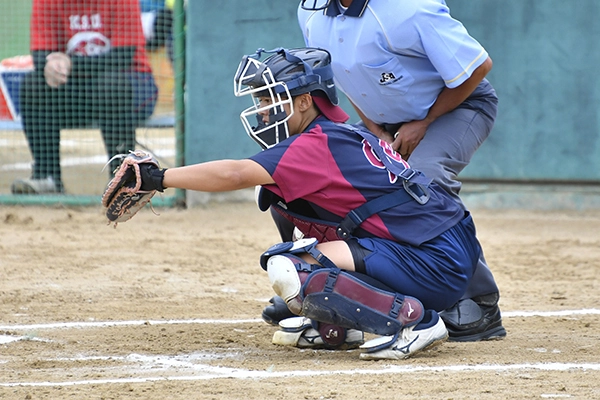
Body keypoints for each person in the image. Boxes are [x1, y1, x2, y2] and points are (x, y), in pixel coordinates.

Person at [125, 47, 483, 360]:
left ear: (304, 101)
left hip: (433, 258)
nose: (263, 110)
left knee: (291, 269)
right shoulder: (335, 133)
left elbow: (234, 174)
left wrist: (158, 179)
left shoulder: (316, 144)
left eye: (269, 99)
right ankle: (341, 325)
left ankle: (416, 320)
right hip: (433, 246)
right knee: (276, 196)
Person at [261, 0, 506, 342]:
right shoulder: (312, 13)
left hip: (454, 107)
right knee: (318, 171)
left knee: (424, 183)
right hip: (382, 122)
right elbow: (348, 79)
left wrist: (425, 122)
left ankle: (477, 300)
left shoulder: (411, 9)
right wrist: (376, 132)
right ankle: (326, 281)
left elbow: (478, 67)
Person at [12, 0, 158, 194]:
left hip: (131, 87)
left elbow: (123, 56)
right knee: (33, 85)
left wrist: (71, 64)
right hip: (79, 91)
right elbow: (41, 55)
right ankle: (47, 176)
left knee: (110, 85)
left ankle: (123, 179)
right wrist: (51, 66)